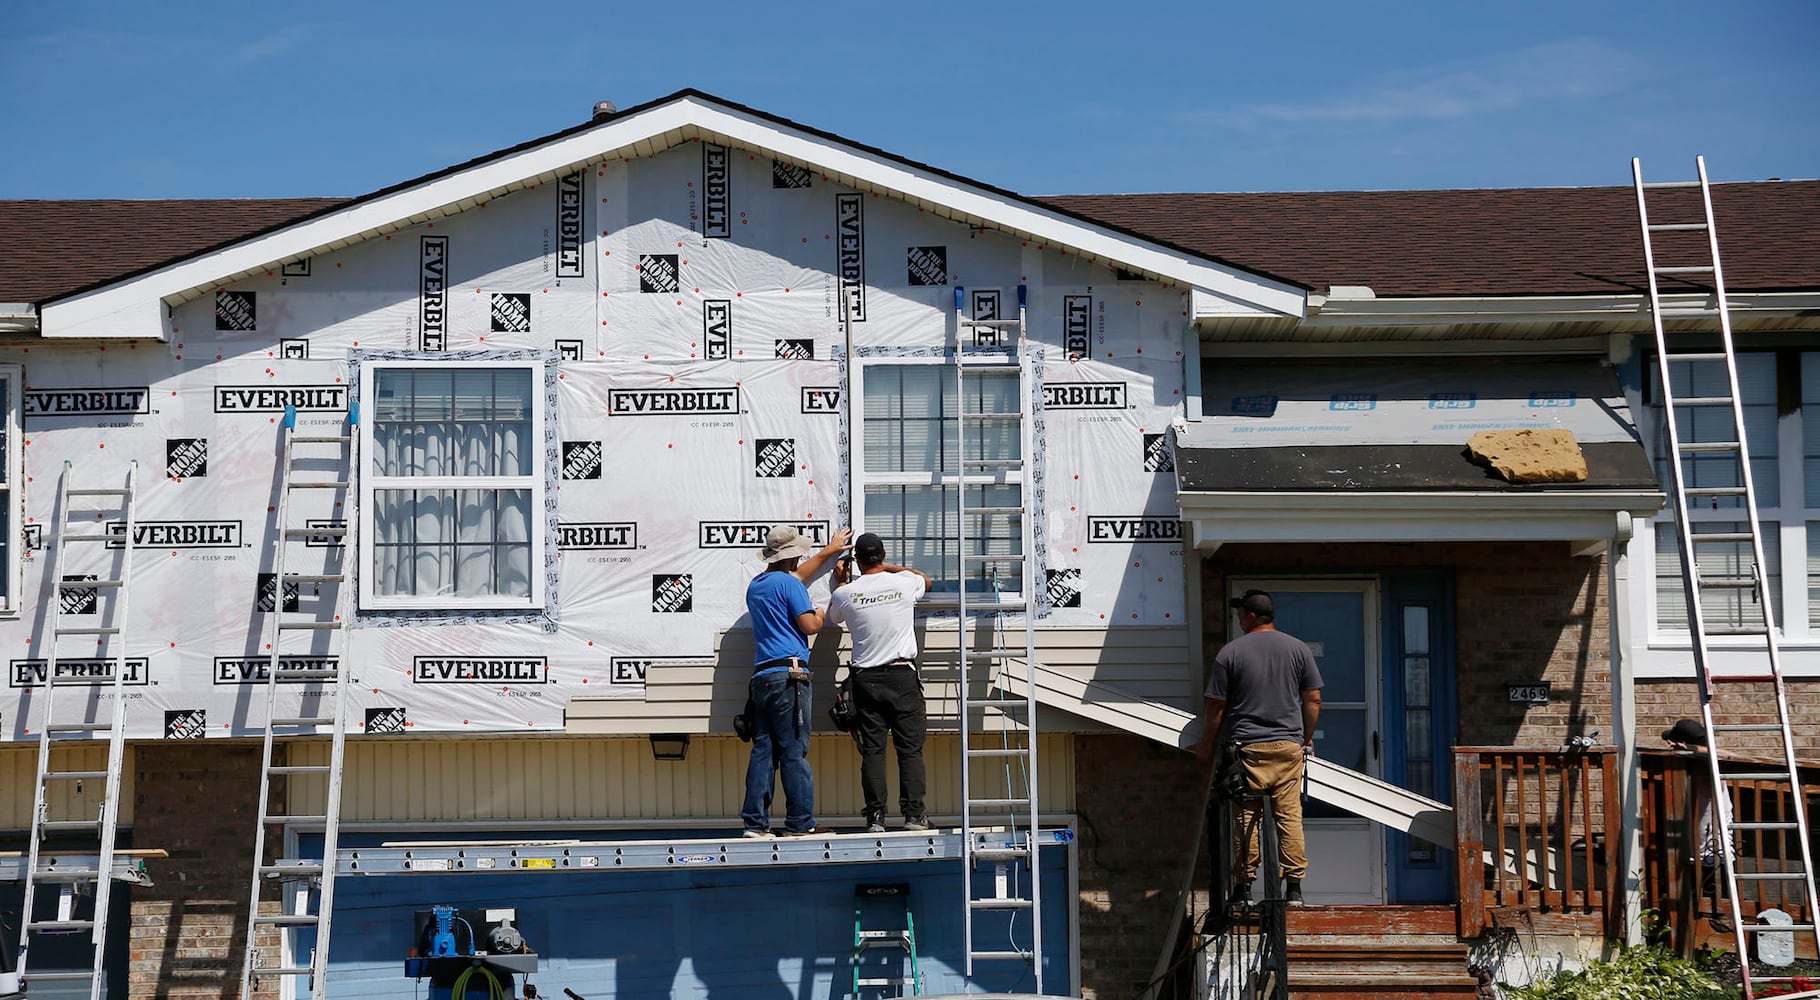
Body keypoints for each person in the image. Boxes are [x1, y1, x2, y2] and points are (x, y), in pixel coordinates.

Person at [1195, 589, 1324, 906]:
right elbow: (1313, 698)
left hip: (1247, 748)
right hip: (1287, 747)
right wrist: (1306, 738)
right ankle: (1293, 888)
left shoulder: (1231, 653)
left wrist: (1207, 744)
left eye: (1240, 613)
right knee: (1289, 817)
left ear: (1251, 616)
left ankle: (1243, 890)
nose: (1238, 618)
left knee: (1246, 820)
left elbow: (1216, 706)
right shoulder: (1298, 649)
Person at [740, 523, 851, 839]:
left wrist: (829, 552)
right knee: (793, 751)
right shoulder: (790, 586)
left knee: (764, 750)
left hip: (762, 676)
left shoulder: (757, 585)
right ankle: (801, 823)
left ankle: (755, 824)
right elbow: (811, 626)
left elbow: (796, 577)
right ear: (793, 556)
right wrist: (821, 607)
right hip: (791, 677)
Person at [828, 532, 933, 833]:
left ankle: (875, 818)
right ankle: (914, 816)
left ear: (856, 561)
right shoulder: (902, 582)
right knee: (909, 750)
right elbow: (925, 580)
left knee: (873, 750)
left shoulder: (845, 593)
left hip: (866, 680)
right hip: (901, 675)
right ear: (883, 555)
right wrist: (889, 568)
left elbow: (835, 617)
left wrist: (841, 580)